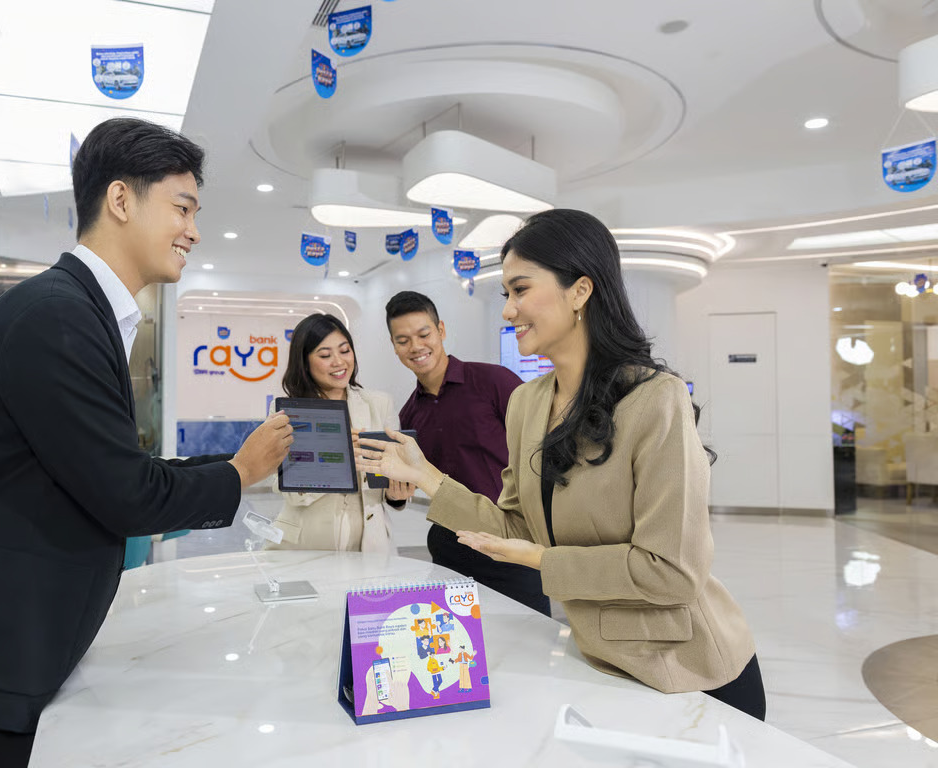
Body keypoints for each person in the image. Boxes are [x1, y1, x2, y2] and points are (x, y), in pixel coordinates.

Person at [0, 117, 294, 767]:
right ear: (121, 199)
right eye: (182, 208)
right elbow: (126, 493)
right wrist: (238, 474)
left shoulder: (80, 311)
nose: (194, 231)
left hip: (2, 652)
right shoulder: (57, 315)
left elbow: (111, 468)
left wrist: (239, 464)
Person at [358, 209, 766, 720]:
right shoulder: (528, 403)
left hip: (691, 673)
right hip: (602, 663)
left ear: (580, 291)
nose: (508, 310)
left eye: (520, 289)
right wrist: (426, 476)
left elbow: (671, 573)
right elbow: (516, 527)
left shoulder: (654, 399)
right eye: (506, 293)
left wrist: (540, 561)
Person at [385, 291, 549, 615]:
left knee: (530, 637)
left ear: (441, 330)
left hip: (510, 543)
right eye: (403, 340)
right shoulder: (409, 415)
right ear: (394, 346)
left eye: (423, 334)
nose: (415, 346)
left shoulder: (494, 381)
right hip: (452, 549)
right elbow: (408, 487)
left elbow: (544, 445)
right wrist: (395, 496)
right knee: (460, 642)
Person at [267, 312, 414, 552]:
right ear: (304, 362)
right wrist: (336, 460)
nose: (339, 362)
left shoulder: (380, 404)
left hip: (370, 545)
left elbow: (388, 480)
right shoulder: (287, 412)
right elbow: (291, 492)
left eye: (345, 351)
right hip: (307, 544)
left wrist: (396, 495)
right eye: (325, 355)